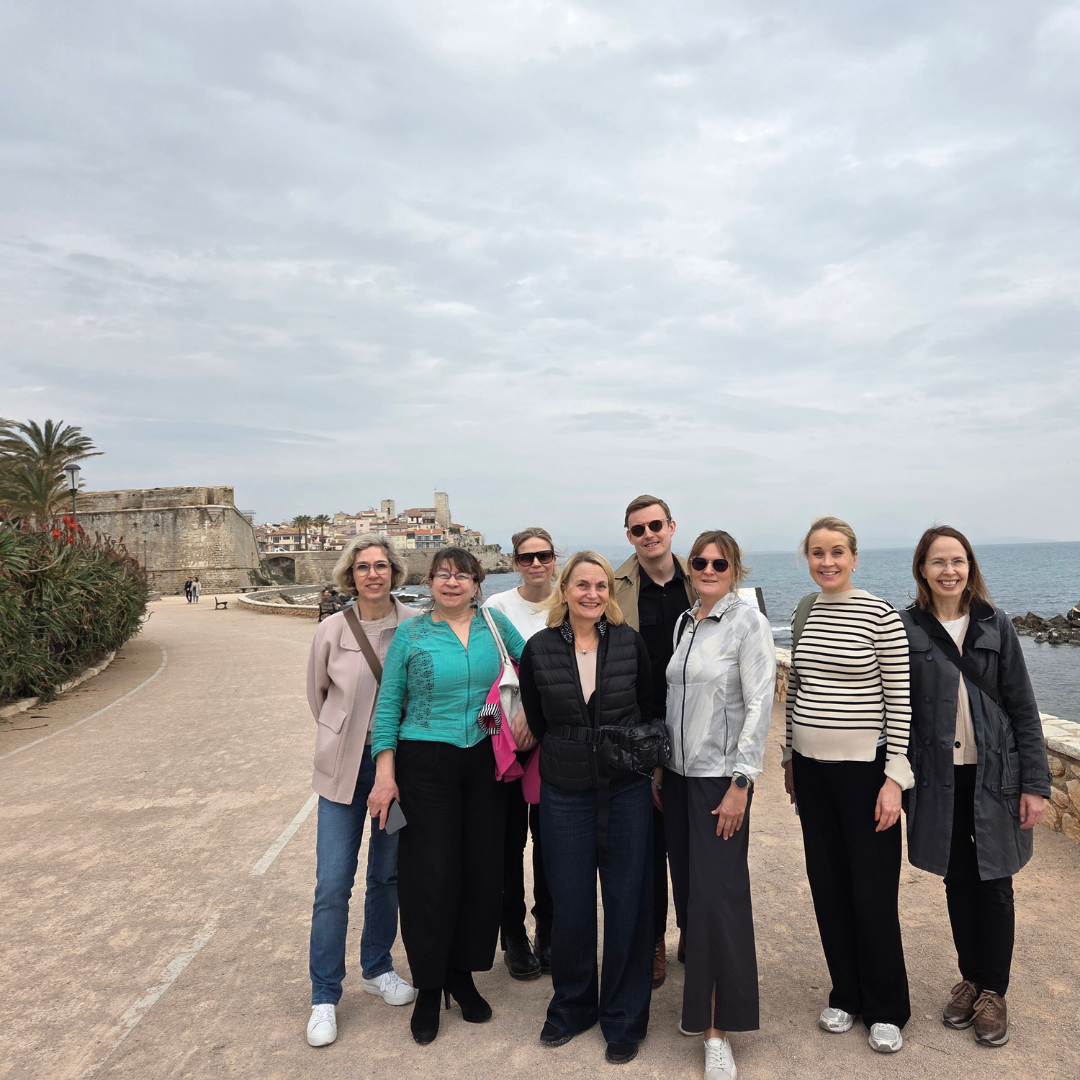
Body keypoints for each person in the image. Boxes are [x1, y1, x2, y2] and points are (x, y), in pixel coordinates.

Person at [368, 546, 526, 1046]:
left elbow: (540, 668)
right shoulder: (412, 633)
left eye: (462, 575)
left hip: (485, 758)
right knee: (429, 875)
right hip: (425, 761)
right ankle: (430, 985)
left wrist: (528, 714)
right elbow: (388, 704)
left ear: (477, 582)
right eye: (443, 574)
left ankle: (462, 975)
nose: (452, 582)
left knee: (481, 872)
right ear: (430, 582)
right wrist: (385, 774)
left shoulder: (495, 626)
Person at [900, 526, 1050, 1047]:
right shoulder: (906, 626)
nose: (949, 570)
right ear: (922, 569)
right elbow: (896, 708)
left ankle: (993, 992)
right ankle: (970, 978)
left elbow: (1023, 707)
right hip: (938, 777)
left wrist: (1035, 784)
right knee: (958, 880)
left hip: (996, 775)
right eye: (938, 561)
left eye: (958, 560)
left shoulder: (995, 623)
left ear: (970, 567)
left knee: (996, 882)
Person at [781, 515, 913, 1054]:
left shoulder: (881, 615)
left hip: (865, 773)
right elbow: (796, 690)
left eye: (837, 552)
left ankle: (887, 1007)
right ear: (807, 559)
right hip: (811, 771)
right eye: (817, 552)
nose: (827, 561)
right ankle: (847, 994)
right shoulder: (805, 611)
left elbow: (900, 702)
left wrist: (895, 778)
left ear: (854, 557)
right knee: (828, 885)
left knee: (872, 890)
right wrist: (788, 756)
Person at [519, 551, 654, 1066]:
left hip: (625, 787)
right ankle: (572, 1006)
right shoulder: (539, 648)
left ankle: (623, 1016)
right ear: (565, 590)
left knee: (627, 900)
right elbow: (538, 715)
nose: (592, 593)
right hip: (564, 789)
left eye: (600, 585)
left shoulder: (629, 643)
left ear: (609, 593)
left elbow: (647, 704)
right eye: (582, 585)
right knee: (571, 901)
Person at [661, 531, 775, 1080]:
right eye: (700, 561)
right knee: (691, 896)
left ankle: (718, 1031)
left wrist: (741, 782)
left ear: (734, 569)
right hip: (678, 779)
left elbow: (759, 703)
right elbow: (674, 700)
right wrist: (661, 766)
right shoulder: (686, 622)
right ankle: (699, 1010)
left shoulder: (747, 622)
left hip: (718, 781)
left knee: (717, 900)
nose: (709, 569)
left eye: (719, 563)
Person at [304, 536, 419, 1048]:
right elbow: (318, 697)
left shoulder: (416, 625)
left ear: (395, 572)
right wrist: (346, 737)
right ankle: (324, 995)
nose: (373, 574)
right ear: (349, 575)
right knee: (332, 883)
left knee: (387, 874)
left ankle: (377, 967)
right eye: (363, 567)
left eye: (381, 566)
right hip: (342, 770)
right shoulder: (330, 630)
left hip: (396, 769)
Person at [613, 494, 697, 988]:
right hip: (639, 730)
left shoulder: (703, 576)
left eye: (655, 525)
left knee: (693, 840)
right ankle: (653, 942)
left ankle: (693, 928)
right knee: (646, 849)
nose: (648, 535)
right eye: (638, 529)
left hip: (696, 730)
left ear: (671, 526)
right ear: (629, 535)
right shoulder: (615, 586)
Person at [482, 527, 557, 981]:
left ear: (554, 559)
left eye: (543, 555)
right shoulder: (496, 607)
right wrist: (500, 731)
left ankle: (548, 929)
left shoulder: (568, 603)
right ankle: (511, 933)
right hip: (504, 740)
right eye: (526, 557)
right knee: (508, 842)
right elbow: (486, 676)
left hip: (552, 739)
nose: (535, 564)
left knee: (550, 842)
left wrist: (536, 713)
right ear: (515, 562)